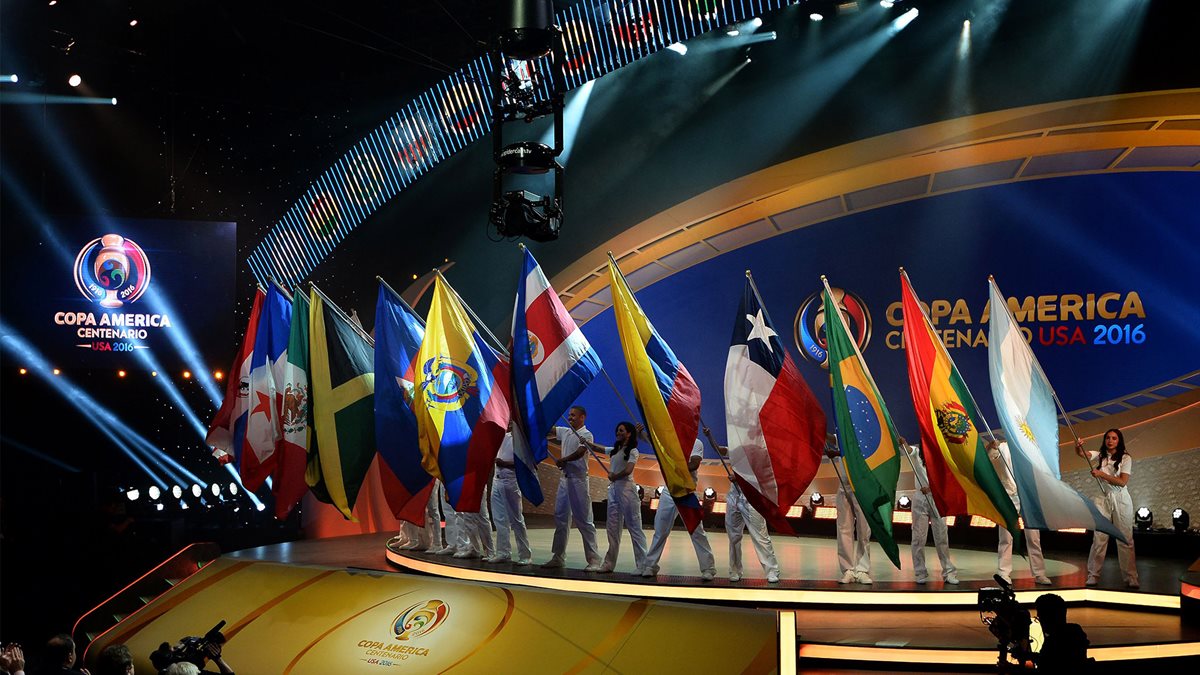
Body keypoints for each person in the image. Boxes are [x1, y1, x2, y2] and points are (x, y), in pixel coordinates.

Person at [642, 431, 717, 581]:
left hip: (687, 492)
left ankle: (708, 568)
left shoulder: (696, 443)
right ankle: (651, 565)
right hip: (669, 492)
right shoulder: (670, 442)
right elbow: (654, 441)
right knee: (660, 530)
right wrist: (642, 433)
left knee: (697, 531)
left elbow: (694, 464)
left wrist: (672, 465)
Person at [541, 406, 602, 571]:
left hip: (579, 482)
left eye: (573, 415)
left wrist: (564, 460)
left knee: (584, 520)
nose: (570, 417)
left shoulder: (586, 434)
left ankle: (594, 559)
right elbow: (550, 430)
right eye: (569, 415)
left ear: (583, 417)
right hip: (564, 481)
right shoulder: (565, 431)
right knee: (561, 519)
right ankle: (558, 557)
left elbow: (580, 452)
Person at [713, 434, 780, 583]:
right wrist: (710, 437)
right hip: (734, 497)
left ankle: (772, 570)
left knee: (760, 536)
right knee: (734, 536)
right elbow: (720, 450)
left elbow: (762, 475)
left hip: (753, 498)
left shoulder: (761, 454)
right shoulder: (737, 450)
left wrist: (739, 478)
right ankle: (735, 570)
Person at [1076, 429, 1138, 588]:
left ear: (1119, 441)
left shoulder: (1125, 457)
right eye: (1108, 438)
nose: (1110, 441)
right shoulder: (1101, 455)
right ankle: (1093, 575)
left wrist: (1101, 475)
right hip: (1102, 498)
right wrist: (1078, 447)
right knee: (1099, 538)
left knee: (1124, 538)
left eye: (1114, 438)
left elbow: (1123, 481)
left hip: (1120, 499)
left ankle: (1131, 577)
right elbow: (1083, 454)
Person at [986, 439, 1052, 586]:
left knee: (1033, 537)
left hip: (1028, 496)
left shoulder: (1031, 446)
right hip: (1009, 496)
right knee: (1006, 536)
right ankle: (1003, 572)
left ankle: (1039, 573)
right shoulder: (1003, 446)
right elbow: (988, 457)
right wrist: (991, 446)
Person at [585, 421, 648, 573]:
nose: (618, 433)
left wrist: (615, 475)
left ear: (629, 433)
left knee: (634, 526)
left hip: (627, 489)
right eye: (617, 430)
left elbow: (628, 470)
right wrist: (587, 443)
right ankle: (609, 563)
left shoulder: (633, 451)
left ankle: (643, 564)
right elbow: (599, 448)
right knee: (612, 527)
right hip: (613, 490)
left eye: (621, 430)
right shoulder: (615, 450)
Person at [902, 440, 959, 585]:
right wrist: (903, 443)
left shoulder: (942, 457)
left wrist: (933, 488)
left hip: (938, 498)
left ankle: (948, 572)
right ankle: (920, 572)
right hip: (920, 499)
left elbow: (948, 479)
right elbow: (908, 450)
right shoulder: (917, 454)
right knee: (918, 538)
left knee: (941, 537)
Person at [825, 434, 872, 584]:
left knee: (864, 530)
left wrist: (837, 453)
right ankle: (848, 570)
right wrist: (819, 428)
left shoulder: (864, 432)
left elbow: (857, 452)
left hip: (862, 485)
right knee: (844, 529)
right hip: (844, 485)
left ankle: (863, 570)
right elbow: (833, 439)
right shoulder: (844, 429)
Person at [485, 425, 533, 565]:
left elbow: (525, 463)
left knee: (516, 520)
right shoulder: (501, 437)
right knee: (500, 519)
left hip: (510, 482)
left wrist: (504, 463)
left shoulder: (521, 440)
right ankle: (503, 552)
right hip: (497, 480)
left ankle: (525, 555)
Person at [1032, 593, 1090, 669]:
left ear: (1047, 618)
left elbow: (1047, 664)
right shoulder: (1076, 630)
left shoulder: (1053, 640)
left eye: (1039, 618)